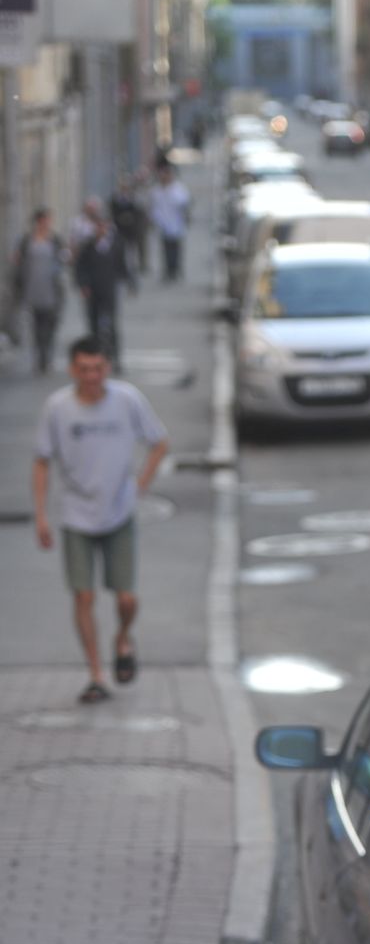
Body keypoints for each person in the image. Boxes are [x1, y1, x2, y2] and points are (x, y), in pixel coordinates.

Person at [32, 334, 168, 704]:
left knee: (126, 598)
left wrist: (139, 484)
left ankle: (123, 637)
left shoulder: (126, 399)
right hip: (76, 515)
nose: (92, 376)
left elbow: (159, 441)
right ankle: (96, 674)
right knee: (83, 595)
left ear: (107, 368)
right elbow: (42, 460)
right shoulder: (57, 407)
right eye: (84, 369)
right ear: (72, 369)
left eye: (98, 369)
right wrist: (42, 515)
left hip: (119, 512)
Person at [9, 207, 66, 373]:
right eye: (44, 220)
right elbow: (19, 262)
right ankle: (39, 356)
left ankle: (47, 355)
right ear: (38, 221)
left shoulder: (55, 239)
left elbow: (63, 259)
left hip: (52, 288)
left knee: (50, 323)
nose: (46, 223)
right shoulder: (27, 240)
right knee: (36, 324)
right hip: (33, 287)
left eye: (48, 220)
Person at [73, 205, 130, 364]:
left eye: (103, 225)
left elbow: (122, 265)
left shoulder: (116, 244)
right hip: (92, 291)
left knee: (111, 324)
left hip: (109, 290)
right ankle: (96, 356)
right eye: (97, 225)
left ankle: (115, 357)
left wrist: (129, 282)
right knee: (94, 326)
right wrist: (83, 285)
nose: (101, 228)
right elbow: (80, 268)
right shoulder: (88, 245)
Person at [150, 163, 192, 282]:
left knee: (176, 249)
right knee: (165, 249)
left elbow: (184, 203)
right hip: (163, 224)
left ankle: (175, 270)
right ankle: (168, 270)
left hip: (176, 223)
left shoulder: (178, 189)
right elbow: (155, 208)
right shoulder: (157, 191)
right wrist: (156, 220)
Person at [109, 177, 141, 293]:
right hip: (119, 234)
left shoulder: (132, 200)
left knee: (131, 261)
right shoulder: (115, 200)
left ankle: (132, 284)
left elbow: (137, 217)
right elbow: (113, 216)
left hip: (130, 235)